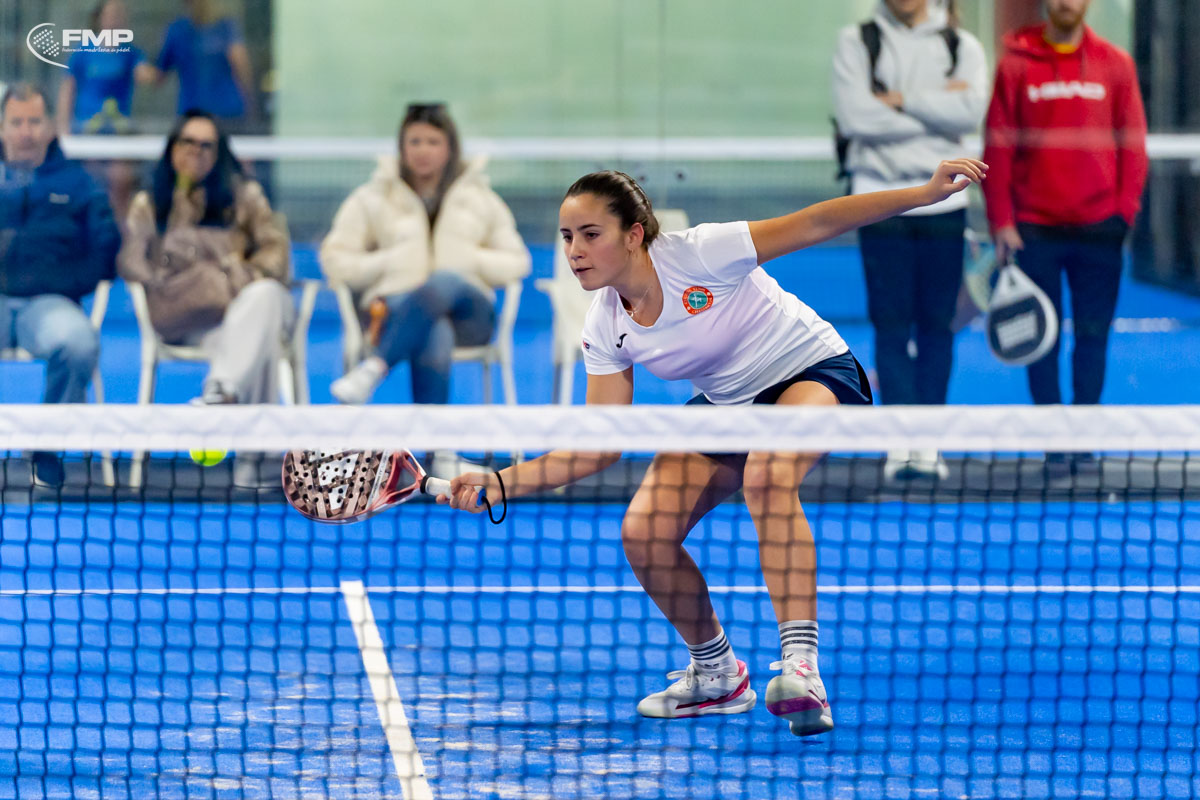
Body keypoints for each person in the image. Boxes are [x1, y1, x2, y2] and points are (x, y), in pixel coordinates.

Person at [441, 160, 987, 736]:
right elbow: (597, 448)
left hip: (811, 371)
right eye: (567, 237)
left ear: (633, 235)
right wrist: (500, 482)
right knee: (644, 531)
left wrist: (921, 194)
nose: (575, 251)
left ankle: (803, 668)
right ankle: (717, 675)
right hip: (728, 404)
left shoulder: (700, 253)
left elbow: (814, 222)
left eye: (590, 234)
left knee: (767, 475)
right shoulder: (604, 327)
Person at [321, 103, 530, 474]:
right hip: (398, 313)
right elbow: (335, 260)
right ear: (401, 147)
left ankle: (375, 367)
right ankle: (439, 456)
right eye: (414, 141)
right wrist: (389, 261)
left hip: (470, 313)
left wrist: (470, 260)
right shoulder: (371, 199)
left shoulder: (481, 199)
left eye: (433, 141)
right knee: (435, 328)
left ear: (450, 147)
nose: (423, 150)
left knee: (446, 280)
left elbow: (518, 261)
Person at [832, 0, 988, 481]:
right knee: (891, 325)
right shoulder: (857, 42)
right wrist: (938, 109)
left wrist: (898, 99)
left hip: (947, 207)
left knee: (937, 326)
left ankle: (928, 441)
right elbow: (856, 118)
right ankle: (899, 441)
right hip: (879, 204)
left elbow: (969, 113)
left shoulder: (962, 46)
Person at [982, 0, 1147, 433]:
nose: (1066, 3)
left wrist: (1124, 213)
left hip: (1100, 229)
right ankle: (1054, 441)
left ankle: (1083, 438)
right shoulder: (1014, 65)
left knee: (1093, 337)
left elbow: (1132, 143)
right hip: (1034, 230)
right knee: (1040, 341)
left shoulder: (1116, 65)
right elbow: (998, 146)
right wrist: (1002, 220)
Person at [117, 110, 292, 412]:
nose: (195, 152)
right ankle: (245, 431)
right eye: (187, 142)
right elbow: (131, 260)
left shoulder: (245, 196)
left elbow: (276, 252)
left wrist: (238, 275)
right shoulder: (150, 203)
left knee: (264, 299)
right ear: (173, 147)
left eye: (206, 145)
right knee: (258, 340)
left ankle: (221, 391)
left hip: (241, 304)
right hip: (188, 315)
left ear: (219, 152)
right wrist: (160, 278)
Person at [0, 83, 119, 487]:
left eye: (34, 121)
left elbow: (106, 248)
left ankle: (46, 444)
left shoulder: (80, 183)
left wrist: (67, 282)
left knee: (79, 343)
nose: (26, 132)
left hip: (50, 304)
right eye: (17, 122)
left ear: (51, 126)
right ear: (2, 127)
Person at [56, 0, 160, 225]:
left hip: (118, 132)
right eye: (111, 14)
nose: (115, 19)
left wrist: (160, 62)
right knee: (90, 183)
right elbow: (67, 91)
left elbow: (147, 75)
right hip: (87, 130)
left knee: (120, 181)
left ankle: (120, 230)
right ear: (99, 18)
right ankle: (92, 229)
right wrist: (63, 130)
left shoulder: (129, 52)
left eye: (119, 14)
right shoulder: (84, 51)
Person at [155, 0, 256, 129]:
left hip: (224, 113)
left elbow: (241, 66)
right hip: (196, 114)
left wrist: (250, 103)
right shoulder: (178, 31)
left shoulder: (224, 28)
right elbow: (158, 75)